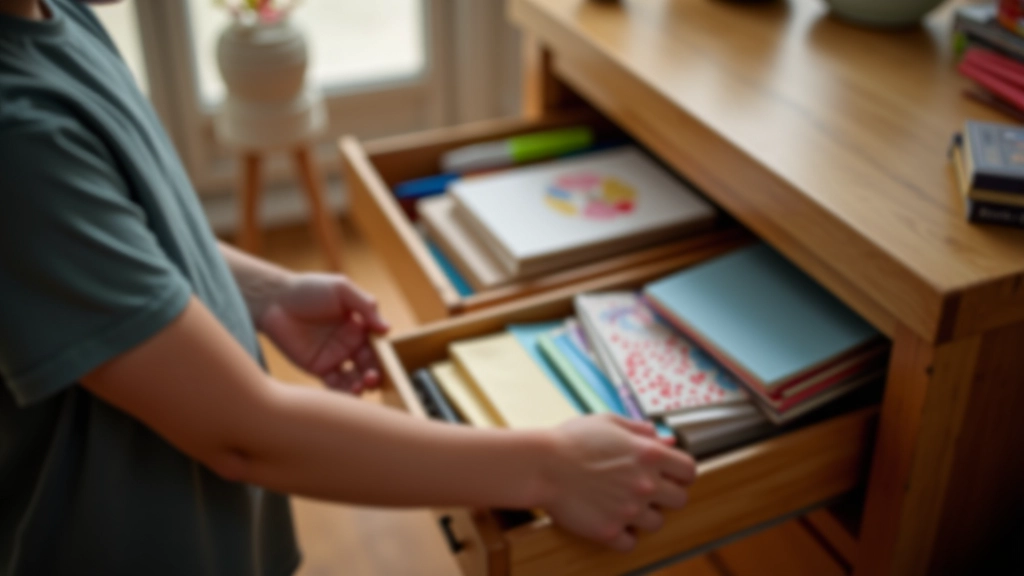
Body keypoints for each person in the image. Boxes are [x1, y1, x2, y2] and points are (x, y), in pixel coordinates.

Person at [0, 0, 697, 574]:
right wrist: (548, 469)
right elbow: (244, 433)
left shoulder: (56, 15)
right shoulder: (18, 136)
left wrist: (263, 291)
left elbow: (118, 233)